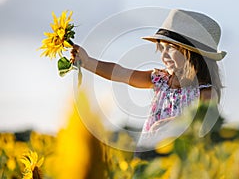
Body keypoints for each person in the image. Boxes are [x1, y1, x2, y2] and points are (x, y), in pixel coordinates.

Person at [70, 9, 226, 157]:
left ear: (191, 54)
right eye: (161, 48)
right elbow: (121, 73)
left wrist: (173, 124)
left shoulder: (205, 92)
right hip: (149, 152)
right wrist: (87, 61)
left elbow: (202, 120)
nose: (164, 55)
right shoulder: (160, 80)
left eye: (170, 48)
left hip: (181, 157)